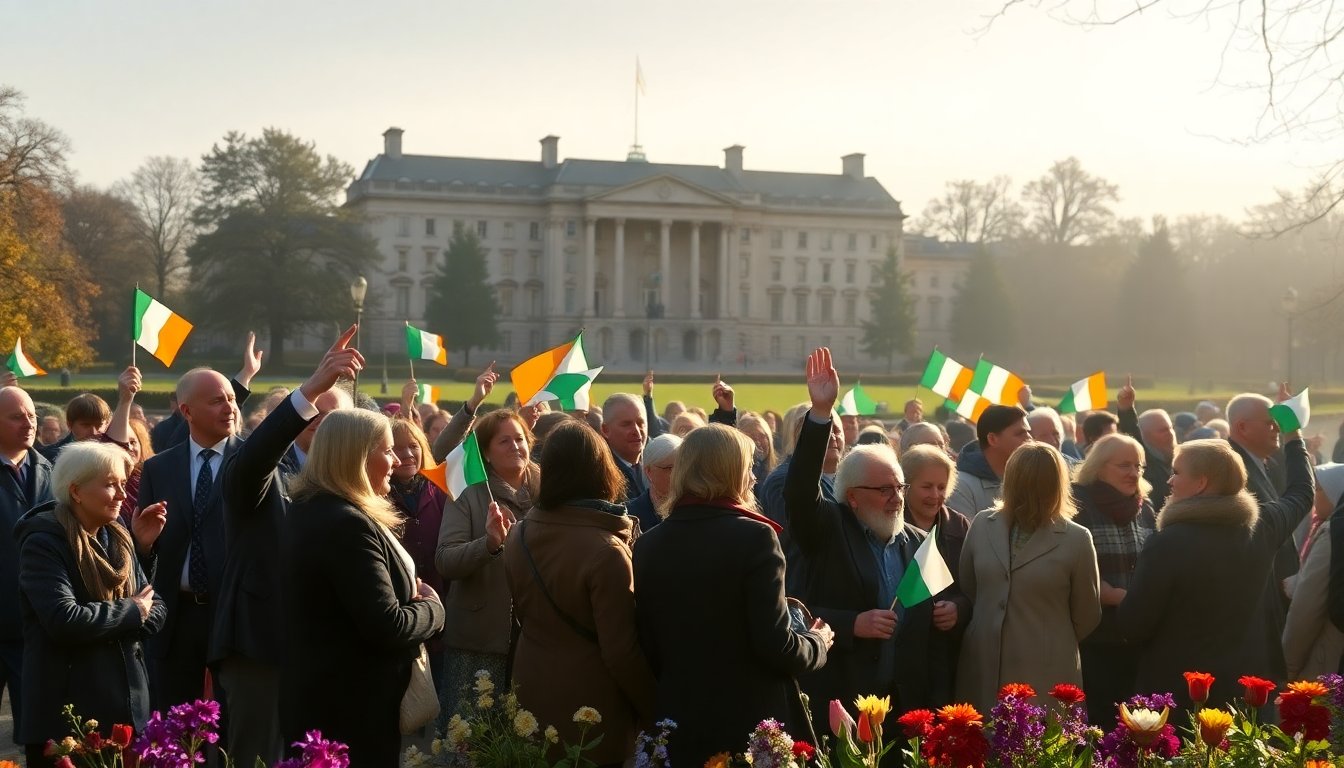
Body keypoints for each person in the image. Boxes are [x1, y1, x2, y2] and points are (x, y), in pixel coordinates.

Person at [635, 423, 832, 765]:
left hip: (681, 728)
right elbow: (776, 646)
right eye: (747, 468)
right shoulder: (754, 537)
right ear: (730, 473)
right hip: (750, 729)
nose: (753, 478)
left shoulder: (649, 543)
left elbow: (651, 648)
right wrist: (817, 641)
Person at [212, 327, 362, 766]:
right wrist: (312, 389)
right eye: (313, 411)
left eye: (332, 413)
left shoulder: (357, 487)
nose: (320, 419)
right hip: (264, 648)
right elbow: (254, 459)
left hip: (328, 653)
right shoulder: (257, 473)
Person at [786, 348, 950, 725]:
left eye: (900, 487)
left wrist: (938, 707)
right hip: (841, 706)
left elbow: (934, 634)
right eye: (884, 490)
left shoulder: (919, 542)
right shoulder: (828, 529)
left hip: (905, 711)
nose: (896, 499)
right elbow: (798, 493)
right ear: (853, 497)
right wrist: (851, 625)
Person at [279, 409, 444, 765]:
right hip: (350, 714)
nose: (397, 460)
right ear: (356, 457)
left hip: (327, 702)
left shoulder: (313, 509)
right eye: (387, 451)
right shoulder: (345, 524)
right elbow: (388, 625)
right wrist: (433, 610)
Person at [1116, 433, 1313, 708]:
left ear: (1201, 483)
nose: (1169, 481)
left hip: (1181, 694)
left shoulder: (1167, 542)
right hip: (1248, 693)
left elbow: (1134, 624)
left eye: (1176, 472)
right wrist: (1293, 436)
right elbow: (1302, 493)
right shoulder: (1264, 526)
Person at [504, 421, 655, 766]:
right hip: (590, 704)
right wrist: (654, 708)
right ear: (602, 470)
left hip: (530, 684)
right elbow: (620, 652)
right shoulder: (606, 551)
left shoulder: (519, 533)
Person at [16, 442, 166, 767]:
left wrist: (135, 608)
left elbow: (157, 610)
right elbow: (64, 619)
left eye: (123, 484)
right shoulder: (42, 542)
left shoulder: (120, 537)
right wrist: (131, 611)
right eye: (110, 485)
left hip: (126, 708)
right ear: (76, 491)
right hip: (69, 715)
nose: (122, 496)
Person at [955, 443, 1101, 714]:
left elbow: (1087, 612)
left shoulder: (1077, 539)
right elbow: (970, 586)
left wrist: (1047, 637)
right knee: (980, 749)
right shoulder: (982, 524)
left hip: (1045, 672)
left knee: (1038, 750)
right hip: (984, 665)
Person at [132, 366, 244, 715]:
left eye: (231, 399)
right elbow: (145, 556)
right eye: (216, 401)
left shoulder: (253, 463)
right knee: (174, 726)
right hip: (175, 619)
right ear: (186, 411)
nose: (229, 407)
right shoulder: (158, 468)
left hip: (233, 615)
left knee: (230, 726)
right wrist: (143, 544)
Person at [435, 408, 538, 718]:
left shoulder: (548, 485)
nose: (516, 447)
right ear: (486, 454)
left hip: (536, 638)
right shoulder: (468, 492)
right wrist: (489, 544)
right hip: (480, 640)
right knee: (474, 742)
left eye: (520, 439)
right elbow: (445, 560)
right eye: (504, 441)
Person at [1070, 433, 1157, 724]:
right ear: (1099, 466)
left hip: (1138, 634)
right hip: (1093, 636)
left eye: (1139, 466)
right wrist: (1101, 593)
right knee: (1099, 722)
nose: (1134, 473)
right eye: (1124, 466)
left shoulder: (1144, 508)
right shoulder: (1076, 506)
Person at [1227, 390, 1300, 683]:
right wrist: (1295, 435)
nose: (1276, 428)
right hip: (1256, 608)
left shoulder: (1259, 462)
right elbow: (1300, 496)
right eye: (1270, 422)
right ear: (1242, 427)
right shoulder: (1236, 471)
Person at [1, 385, 54, 746]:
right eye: (16, 417)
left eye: (32, 416)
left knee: (39, 736)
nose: (28, 424)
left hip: (35, 626)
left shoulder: (51, 471)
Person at [389, 418, 449, 686]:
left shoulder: (440, 491)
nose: (408, 455)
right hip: (400, 617)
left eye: (413, 446)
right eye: (398, 449)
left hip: (441, 613)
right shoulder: (379, 496)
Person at [1283, 464, 1344, 680]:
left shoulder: (1332, 533)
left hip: (1329, 659)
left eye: (1319, 490)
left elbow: (1307, 607)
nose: (1314, 498)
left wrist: (1289, 664)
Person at [947, 405, 1032, 519]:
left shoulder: (1031, 478)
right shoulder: (961, 487)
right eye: (1019, 433)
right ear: (992, 439)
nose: (1029, 438)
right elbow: (967, 535)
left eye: (1028, 432)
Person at [1115, 376, 1175, 512]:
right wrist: (1126, 410)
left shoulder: (1181, 459)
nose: (1170, 433)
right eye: (1162, 430)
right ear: (1145, 434)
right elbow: (1131, 432)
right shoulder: (1144, 462)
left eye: (1170, 428)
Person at [627, 434, 681, 534]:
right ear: (649, 472)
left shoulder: (694, 510)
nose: (678, 474)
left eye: (682, 467)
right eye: (670, 468)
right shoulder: (630, 516)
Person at [36, 393, 110, 462]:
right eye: (86, 425)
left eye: (99, 425)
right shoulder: (48, 457)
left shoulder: (113, 453)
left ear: (106, 424)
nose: (93, 432)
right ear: (70, 425)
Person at [601, 394, 649, 499]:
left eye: (641, 423)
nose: (636, 431)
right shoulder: (601, 476)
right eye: (626, 424)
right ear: (605, 430)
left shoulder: (660, 465)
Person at [738, 411, 778, 484]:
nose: (757, 441)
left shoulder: (777, 477)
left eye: (762, 436)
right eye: (751, 436)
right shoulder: (735, 479)